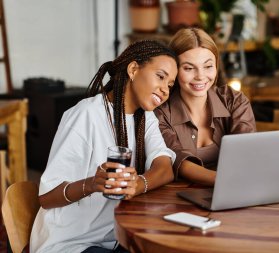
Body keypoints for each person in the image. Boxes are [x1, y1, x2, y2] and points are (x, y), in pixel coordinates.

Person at [30, 40, 178, 253]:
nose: (165, 90)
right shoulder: (85, 115)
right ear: (134, 69)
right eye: (161, 77)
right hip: (69, 244)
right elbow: (46, 198)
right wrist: (92, 184)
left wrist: (138, 184)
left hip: (113, 239)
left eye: (170, 85)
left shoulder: (145, 118)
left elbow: (164, 168)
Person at [155, 28, 256, 187]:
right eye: (189, 68)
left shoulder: (234, 101)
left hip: (234, 191)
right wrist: (226, 181)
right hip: (177, 198)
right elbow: (178, 162)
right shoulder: (161, 112)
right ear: (173, 69)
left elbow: (245, 152)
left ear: (216, 65)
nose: (200, 76)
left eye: (208, 66)